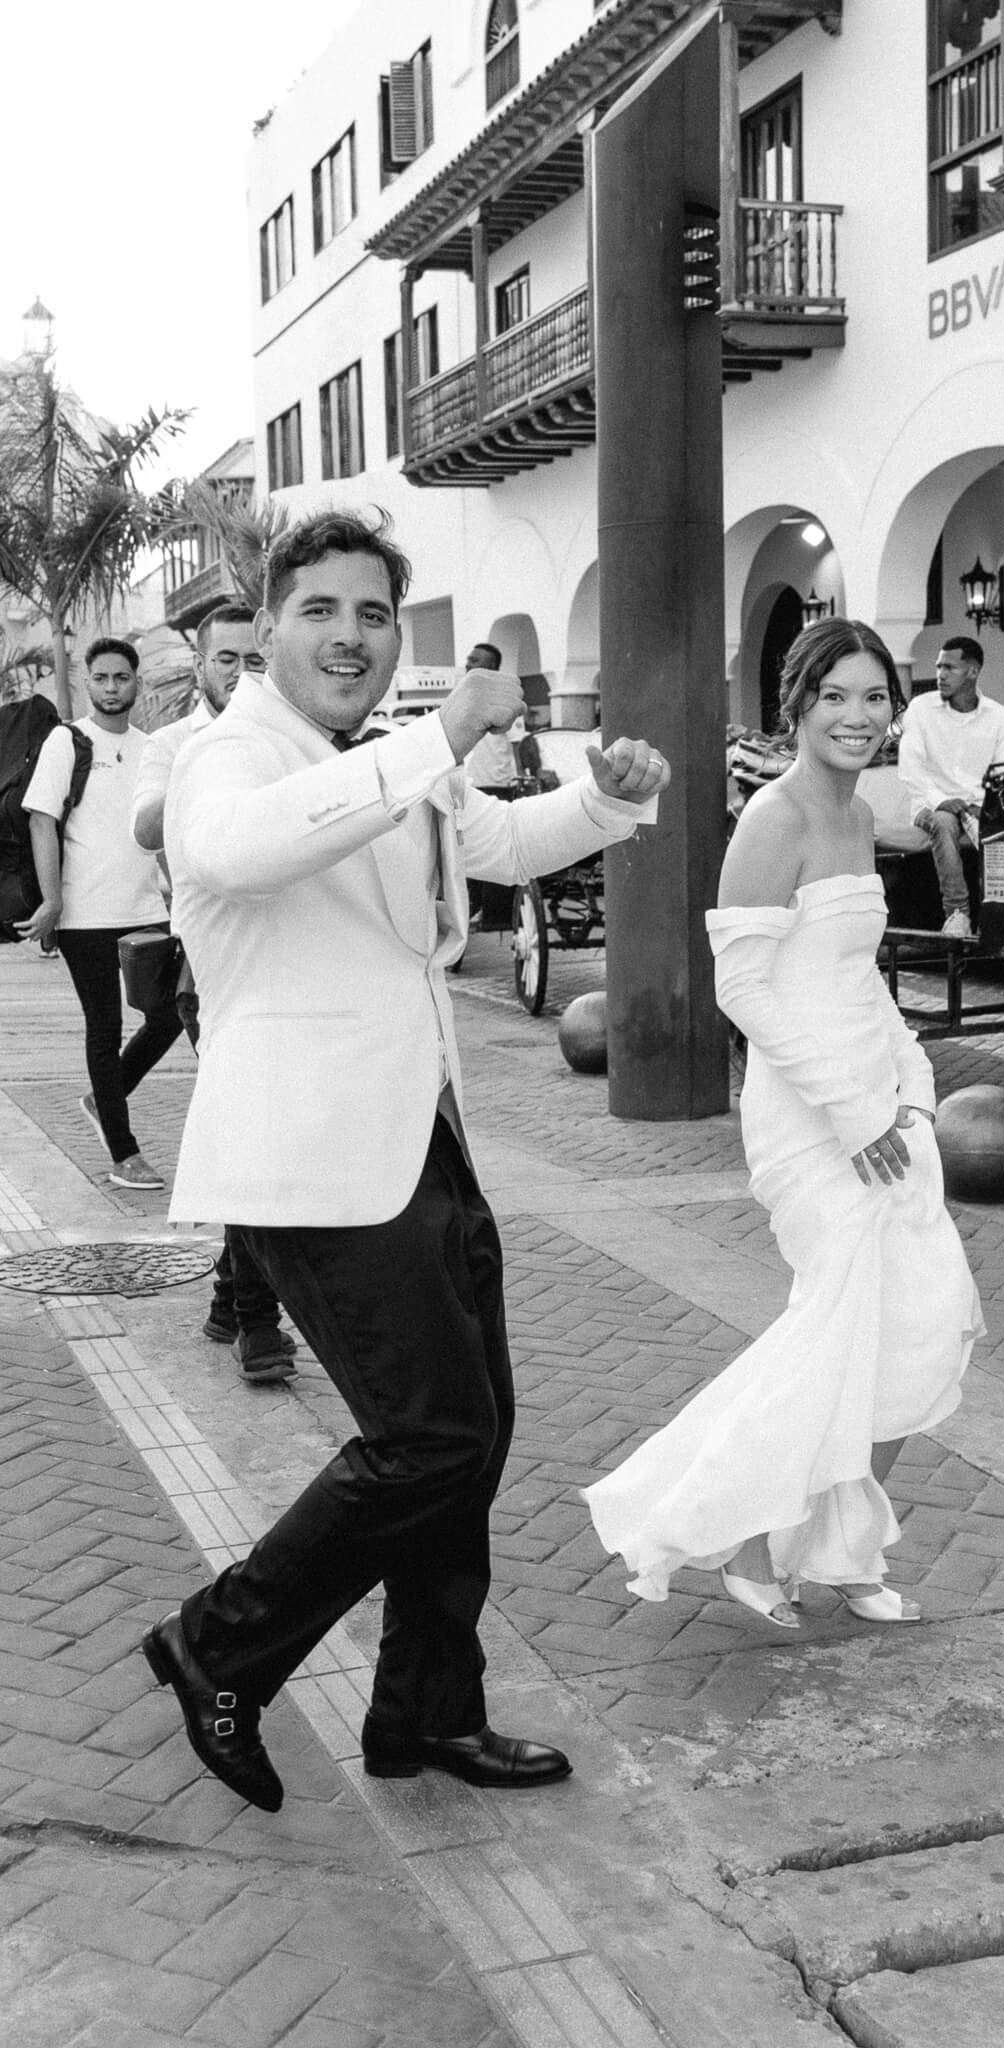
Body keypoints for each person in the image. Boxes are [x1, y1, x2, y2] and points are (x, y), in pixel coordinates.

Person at [142, 510, 669, 1813]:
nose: (351, 635)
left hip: (421, 1144)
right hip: (301, 1165)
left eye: (375, 614)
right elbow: (235, 850)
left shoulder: (385, 760)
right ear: (265, 630)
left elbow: (492, 846)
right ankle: (221, 1640)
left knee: (469, 1439)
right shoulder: (229, 758)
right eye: (320, 609)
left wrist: (606, 798)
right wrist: (439, 739)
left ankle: (425, 1715)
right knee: (428, 1437)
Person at [586, 618, 981, 1629]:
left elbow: (855, 976)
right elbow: (745, 988)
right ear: (796, 704)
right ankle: (752, 1542)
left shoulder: (858, 813)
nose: (857, 715)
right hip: (810, 1116)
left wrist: (914, 1080)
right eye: (835, 696)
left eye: (873, 697)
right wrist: (851, 1111)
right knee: (838, 1331)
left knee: (925, 1324)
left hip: (881, 1102)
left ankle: (846, 1548)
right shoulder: (776, 816)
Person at [130, 604, 297, 1386]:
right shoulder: (175, 745)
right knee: (256, 1139)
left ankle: (233, 1299)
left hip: (296, 970)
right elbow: (144, 827)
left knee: (268, 1139)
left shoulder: (295, 741)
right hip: (212, 977)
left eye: (250, 659)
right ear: (200, 664)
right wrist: (217, 765)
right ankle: (258, 1323)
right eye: (224, 659)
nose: (239, 672)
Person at [18, 637, 182, 1189]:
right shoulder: (67, 742)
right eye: (102, 678)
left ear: (137, 683)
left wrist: (175, 888)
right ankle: (124, 1153)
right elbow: (42, 820)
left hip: (144, 908)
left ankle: (102, 1094)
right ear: (88, 683)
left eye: (121, 678)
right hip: (84, 916)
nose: (112, 687)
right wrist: (53, 901)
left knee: (171, 1012)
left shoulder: (153, 747)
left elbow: (157, 824)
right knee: (104, 1028)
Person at [897, 635, 1004, 938]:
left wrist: (985, 805)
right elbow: (910, 769)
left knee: (1003, 833)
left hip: (978, 805)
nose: (940, 674)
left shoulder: (999, 717)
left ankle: (1000, 917)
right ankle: (957, 915)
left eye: (949, 667)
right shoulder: (921, 709)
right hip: (930, 804)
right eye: (938, 667)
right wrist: (941, 800)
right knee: (943, 822)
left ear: (973, 672)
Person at [460, 642, 541, 793]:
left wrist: (520, 775)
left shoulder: (507, 697)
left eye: (474, 661)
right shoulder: (465, 697)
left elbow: (518, 742)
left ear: (491, 666)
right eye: (468, 660)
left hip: (498, 785)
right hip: (470, 785)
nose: (468, 665)